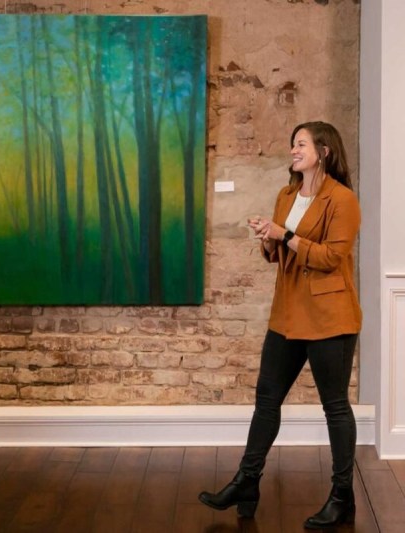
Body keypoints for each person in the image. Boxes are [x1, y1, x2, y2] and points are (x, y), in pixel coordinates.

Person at [198, 121, 361, 529]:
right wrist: (268, 239)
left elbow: (330, 258)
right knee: (266, 401)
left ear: (324, 150)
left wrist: (283, 234)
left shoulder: (342, 200)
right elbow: (278, 255)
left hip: (329, 318)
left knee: (335, 407)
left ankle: (343, 496)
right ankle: (247, 481)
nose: (293, 150)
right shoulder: (286, 194)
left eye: (301, 144)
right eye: (292, 144)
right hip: (287, 315)